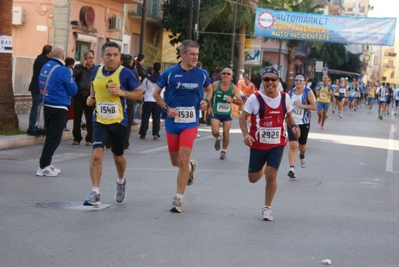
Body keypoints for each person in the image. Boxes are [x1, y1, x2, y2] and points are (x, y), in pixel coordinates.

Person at [153, 40, 212, 213]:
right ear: (183, 54)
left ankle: (178, 199)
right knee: (175, 162)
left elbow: (209, 90)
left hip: (191, 122)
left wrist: (205, 101)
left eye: (197, 54)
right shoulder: (170, 73)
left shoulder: (201, 74)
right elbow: (155, 94)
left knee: (183, 157)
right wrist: (166, 108)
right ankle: (191, 168)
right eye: (192, 54)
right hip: (172, 122)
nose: (195, 57)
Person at [83, 42, 142, 206]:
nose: (112, 58)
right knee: (96, 155)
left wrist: (122, 92)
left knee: (118, 157)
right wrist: (91, 98)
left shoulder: (126, 74)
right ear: (102, 56)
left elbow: (139, 94)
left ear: (120, 57)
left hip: (118, 121)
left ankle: (121, 181)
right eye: (108, 54)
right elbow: (93, 86)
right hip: (100, 120)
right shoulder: (96, 70)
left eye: (115, 55)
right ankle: (95, 193)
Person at [239, 67, 300, 221]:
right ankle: (264, 166)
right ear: (262, 81)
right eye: (266, 79)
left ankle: (267, 207)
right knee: (252, 178)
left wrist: (294, 127)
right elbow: (242, 117)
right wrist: (246, 135)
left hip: (277, 143)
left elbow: (288, 116)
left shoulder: (285, 98)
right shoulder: (254, 98)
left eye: (273, 79)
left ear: (278, 81)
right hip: (258, 144)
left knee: (271, 175)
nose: (270, 82)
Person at [35, 46, 78, 176]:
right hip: (58, 106)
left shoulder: (46, 65)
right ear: (63, 57)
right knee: (54, 138)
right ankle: (43, 166)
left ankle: (47, 164)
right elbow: (73, 90)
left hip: (46, 104)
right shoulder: (63, 70)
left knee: (50, 136)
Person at [209, 67, 243, 160]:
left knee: (226, 133)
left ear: (231, 77)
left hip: (227, 113)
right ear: (221, 74)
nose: (225, 75)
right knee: (215, 131)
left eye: (228, 74)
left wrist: (233, 100)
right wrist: (210, 106)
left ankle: (224, 151)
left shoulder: (233, 88)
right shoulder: (215, 85)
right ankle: (217, 138)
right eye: (224, 73)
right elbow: (209, 96)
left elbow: (240, 102)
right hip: (216, 111)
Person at [287, 73, 316, 179]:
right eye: (296, 79)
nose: (298, 81)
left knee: (302, 146)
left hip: (304, 123)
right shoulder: (290, 93)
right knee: (293, 145)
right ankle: (292, 169)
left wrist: (302, 105)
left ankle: (302, 155)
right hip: (292, 123)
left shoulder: (308, 92)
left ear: (305, 82)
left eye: (300, 80)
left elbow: (314, 106)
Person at [27, 44, 52, 136]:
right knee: (35, 108)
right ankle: (32, 127)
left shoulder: (43, 59)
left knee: (39, 109)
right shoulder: (42, 61)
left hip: (41, 88)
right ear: (49, 53)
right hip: (37, 88)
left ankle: (38, 126)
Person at [72, 51, 95, 146]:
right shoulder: (78, 68)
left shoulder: (95, 69)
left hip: (89, 96)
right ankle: (77, 138)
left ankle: (89, 138)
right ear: (85, 59)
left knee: (89, 118)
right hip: (79, 95)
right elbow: (73, 76)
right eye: (89, 57)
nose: (91, 59)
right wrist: (82, 67)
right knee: (77, 117)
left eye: (92, 57)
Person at [139, 62, 162, 140]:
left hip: (148, 99)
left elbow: (142, 89)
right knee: (156, 117)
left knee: (145, 117)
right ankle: (156, 134)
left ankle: (143, 134)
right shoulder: (162, 79)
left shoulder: (147, 79)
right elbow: (164, 90)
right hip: (158, 100)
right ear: (160, 69)